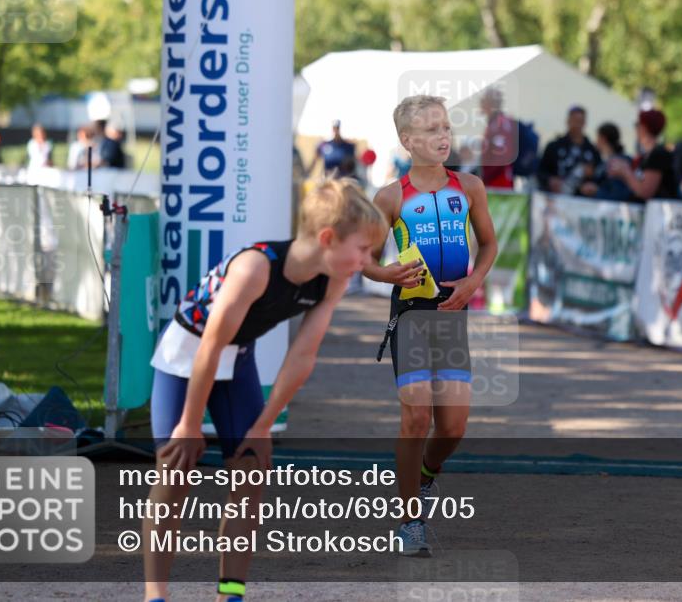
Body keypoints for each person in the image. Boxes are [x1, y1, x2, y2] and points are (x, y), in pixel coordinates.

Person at [143, 178, 389, 602]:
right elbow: (208, 347)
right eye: (363, 250)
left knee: (252, 467)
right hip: (186, 355)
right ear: (328, 238)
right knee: (175, 470)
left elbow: (301, 357)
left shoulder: (332, 279)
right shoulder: (255, 268)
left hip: (235, 359)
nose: (368, 261)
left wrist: (263, 425)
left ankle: (231, 593)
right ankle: (155, 595)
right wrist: (189, 423)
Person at [366, 94, 497, 556]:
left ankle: (423, 477)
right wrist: (387, 274)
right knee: (416, 416)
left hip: (453, 315)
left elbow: (488, 245)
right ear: (407, 141)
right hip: (411, 318)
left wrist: (472, 283)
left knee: (454, 427)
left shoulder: (470, 187)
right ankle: (408, 522)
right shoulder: (390, 196)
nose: (443, 136)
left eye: (445, 127)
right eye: (431, 130)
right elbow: (363, 258)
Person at [607, 109, 678, 202]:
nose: (635, 128)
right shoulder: (647, 155)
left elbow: (645, 192)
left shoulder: (658, 154)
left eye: (637, 124)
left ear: (644, 127)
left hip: (656, 213)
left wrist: (625, 172)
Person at [537, 105, 601, 194]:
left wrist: (592, 181)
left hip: (583, 201)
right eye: (574, 121)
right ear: (568, 121)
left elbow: (600, 176)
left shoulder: (592, 150)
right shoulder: (554, 146)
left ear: (584, 123)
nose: (577, 125)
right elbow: (540, 171)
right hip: (556, 198)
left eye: (580, 121)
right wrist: (550, 180)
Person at [579, 122, 631, 201]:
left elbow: (617, 195)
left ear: (603, 138)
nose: (596, 142)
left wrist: (596, 191)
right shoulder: (606, 161)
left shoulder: (617, 163)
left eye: (597, 137)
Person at [478, 87, 516, 189]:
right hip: (494, 182)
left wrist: (485, 178)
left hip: (499, 184)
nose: (480, 104)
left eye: (483, 101)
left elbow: (501, 158)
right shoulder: (493, 123)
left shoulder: (500, 124)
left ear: (491, 103)